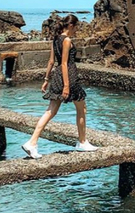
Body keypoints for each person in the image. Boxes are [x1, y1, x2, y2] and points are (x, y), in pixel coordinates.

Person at [22, 14, 96, 158]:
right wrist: (67, 86)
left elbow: (51, 61)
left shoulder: (55, 39)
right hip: (69, 77)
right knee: (82, 108)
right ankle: (82, 142)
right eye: (76, 27)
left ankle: (32, 142)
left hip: (57, 77)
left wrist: (46, 79)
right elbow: (64, 63)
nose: (77, 30)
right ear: (70, 26)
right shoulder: (67, 40)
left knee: (50, 111)